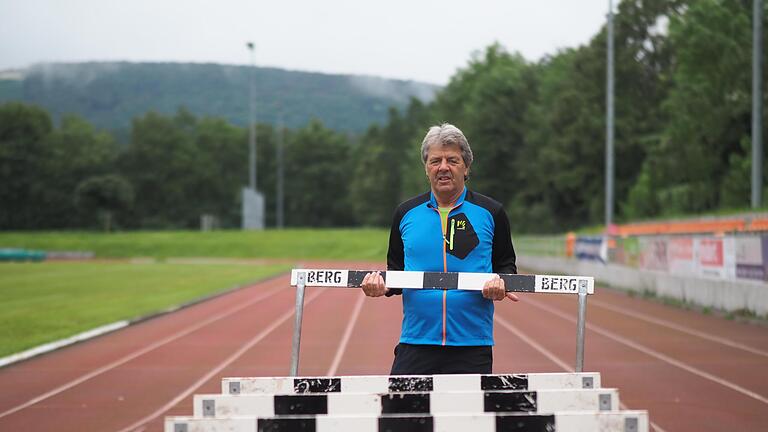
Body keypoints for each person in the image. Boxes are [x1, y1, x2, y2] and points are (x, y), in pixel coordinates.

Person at [361, 123, 518, 375]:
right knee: (399, 412)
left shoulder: (492, 212)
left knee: (469, 415)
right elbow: (397, 271)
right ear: (426, 168)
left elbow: (506, 265)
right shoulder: (404, 214)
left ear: (466, 167)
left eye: (452, 160)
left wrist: (501, 282)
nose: (443, 167)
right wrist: (382, 285)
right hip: (416, 341)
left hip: (472, 344)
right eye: (435, 161)